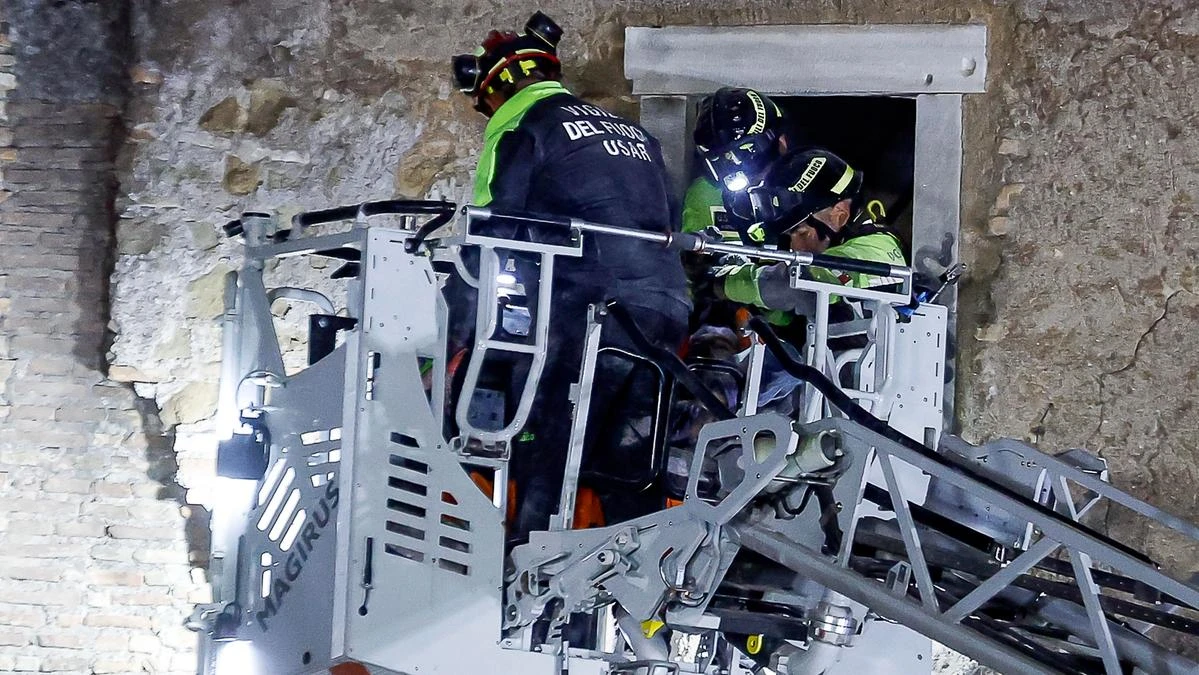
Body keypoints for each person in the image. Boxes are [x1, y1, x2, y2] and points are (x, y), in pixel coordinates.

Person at [452, 12, 691, 535]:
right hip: (665, 313)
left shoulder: (520, 128)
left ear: (490, 92)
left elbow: (491, 237)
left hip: (586, 318)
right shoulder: (634, 133)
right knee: (627, 470)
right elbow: (672, 222)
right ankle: (648, 603)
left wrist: (453, 338)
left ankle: (524, 582)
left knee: (548, 458)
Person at [711, 148, 906, 406]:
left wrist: (724, 282)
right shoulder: (843, 250)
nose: (795, 247)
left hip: (879, 414)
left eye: (801, 232)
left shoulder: (876, 249)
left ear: (840, 215)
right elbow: (788, 315)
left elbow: (799, 285)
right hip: (841, 407)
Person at [684, 87, 793, 245]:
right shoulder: (705, 193)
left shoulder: (808, 183)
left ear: (780, 141)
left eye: (743, 151)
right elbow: (687, 261)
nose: (732, 162)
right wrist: (697, 259)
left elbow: (838, 253)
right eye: (721, 156)